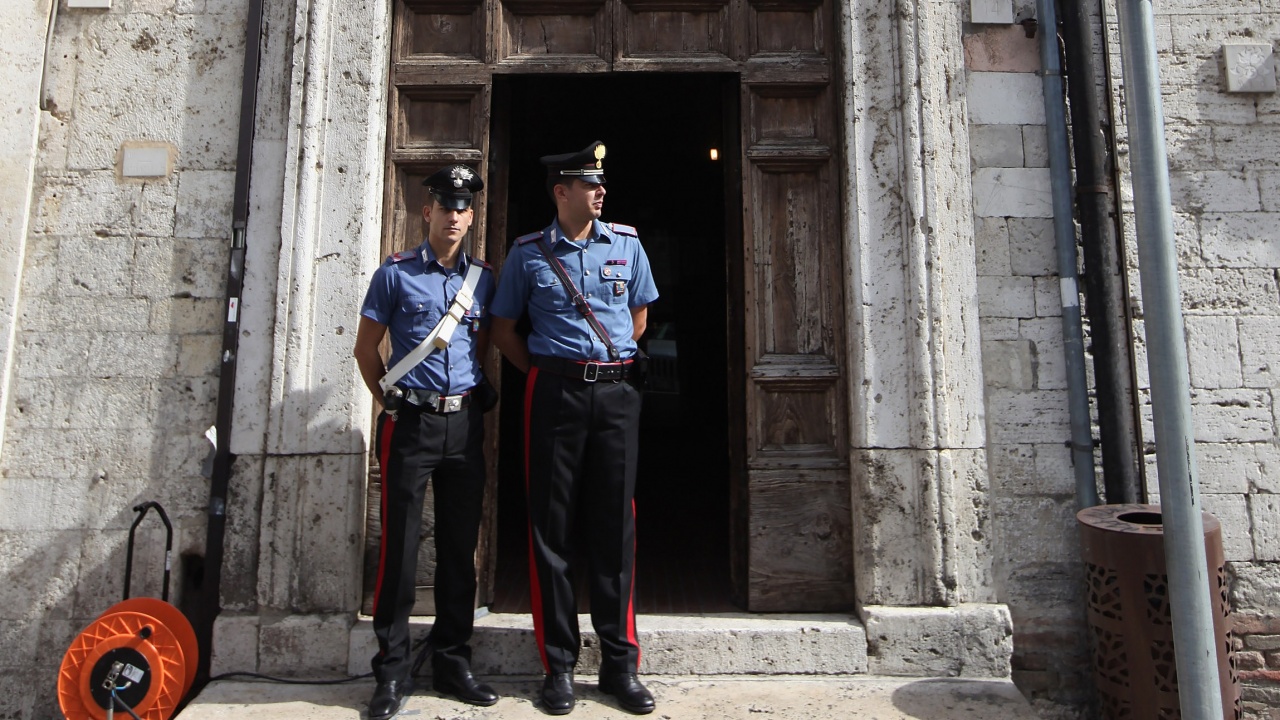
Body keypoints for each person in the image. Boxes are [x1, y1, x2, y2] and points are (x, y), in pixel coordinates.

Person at [489, 141, 659, 716]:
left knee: (615, 529)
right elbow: (504, 328)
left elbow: (638, 317)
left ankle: (619, 664)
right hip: (554, 391)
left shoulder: (628, 245)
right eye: (589, 184)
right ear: (561, 192)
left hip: (615, 394)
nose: (600, 190)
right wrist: (549, 369)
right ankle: (558, 666)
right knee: (551, 529)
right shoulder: (528, 254)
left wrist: (602, 367)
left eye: (601, 183)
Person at [353, 164, 499, 720]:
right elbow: (368, 350)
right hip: (409, 424)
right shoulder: (393, 275)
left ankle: (453, 660)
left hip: (462, 426)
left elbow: (480, 345)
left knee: (460, 549)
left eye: (464, 208)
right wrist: (388, 401)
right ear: (427, 212)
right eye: (446, 207)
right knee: (400, 548)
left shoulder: (483, 279)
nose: (456, 216)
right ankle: (391, 670)